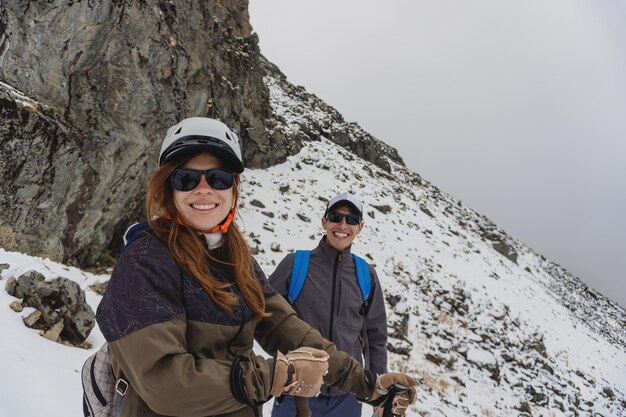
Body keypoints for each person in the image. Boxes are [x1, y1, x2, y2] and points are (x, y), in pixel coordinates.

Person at [96, 117, 417, 417]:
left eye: (219, 178)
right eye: (187, 177)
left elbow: (285, 329)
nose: (204, 188)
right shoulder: (145, 259)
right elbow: (163, 382)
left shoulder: (234, 258)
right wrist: (275, 377)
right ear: (168, 187)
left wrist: (367, 385)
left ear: (233, 188)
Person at [269, 192, 388, 417]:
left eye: (351, 219)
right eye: (336, 217)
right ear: (325, 222)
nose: (343, 225)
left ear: (359, 227)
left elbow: (376, 338)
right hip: (296, 391)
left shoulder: (366, 275)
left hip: (347, 397)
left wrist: (379, 392)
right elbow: (262, 315)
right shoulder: (296, 265)